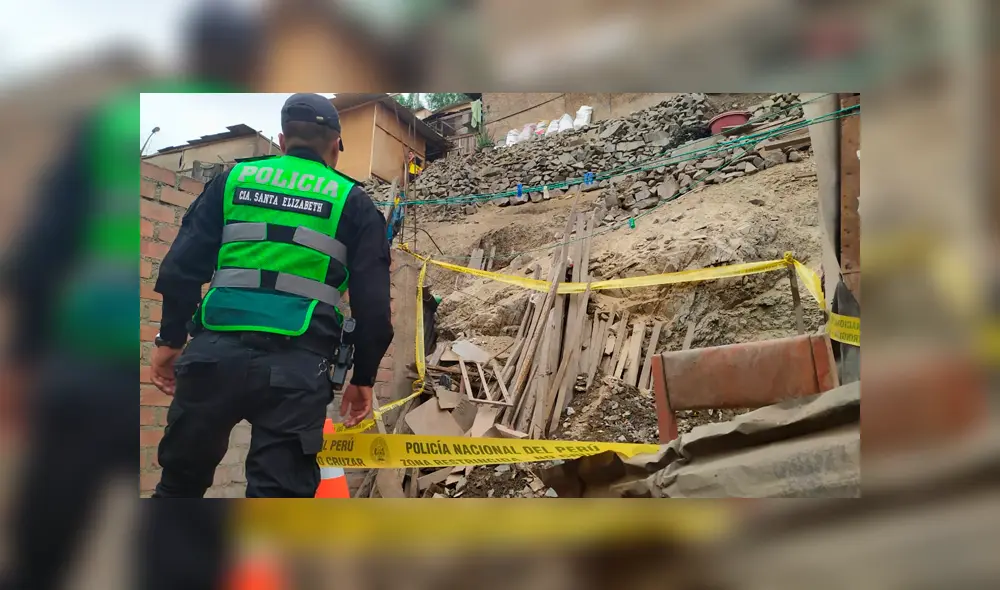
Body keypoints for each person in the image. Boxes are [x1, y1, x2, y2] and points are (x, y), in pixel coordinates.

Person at [150, 93, 393, 498]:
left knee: (177, 488)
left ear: (282, 141)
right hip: (298, 370)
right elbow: (374, 310)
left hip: (213, 356)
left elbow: (180, 269)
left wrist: (170, 339)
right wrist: (363, 378)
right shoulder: (352, 200)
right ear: (336, 145)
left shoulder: (232, 181)